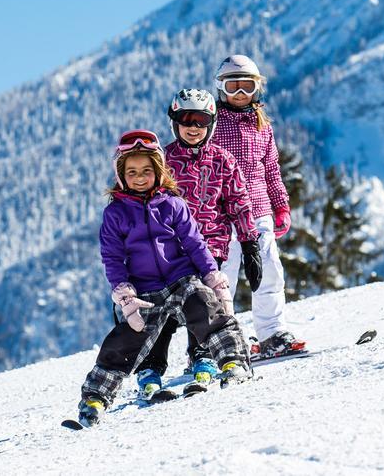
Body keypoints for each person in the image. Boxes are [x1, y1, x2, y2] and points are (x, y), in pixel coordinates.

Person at [76, 129, 252, 428]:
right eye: (132, 172)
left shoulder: (173, 204)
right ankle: (95, 397)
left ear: (158, 171)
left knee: (204, 305)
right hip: (144, 287)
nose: (140, 177)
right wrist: (126, 295)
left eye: (147, 170)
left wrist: (212, 277)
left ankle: (233, 361)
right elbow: (112, 258)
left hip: (180, 275)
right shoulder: (115, 214)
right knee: (129, 334)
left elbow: (195, 243)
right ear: (121, 175)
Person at [132, 89, 264, 396]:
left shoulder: (222, 161)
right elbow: (141, 204)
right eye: (186, 120)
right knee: (160, 309)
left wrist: (249, 244)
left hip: (210, 247)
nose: (194, 127)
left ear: (212, 123)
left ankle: (203, 357)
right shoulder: (162, 162)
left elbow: (238, 203)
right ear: (174, 121)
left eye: (202, 121)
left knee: (204, 303)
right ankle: (150, 367)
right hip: (166, 251)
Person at [212, 55, 305, 357]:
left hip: (258, 209)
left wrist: (280, 206)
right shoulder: (211, 124)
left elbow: (271, 168)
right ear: (220, 88)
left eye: (247, 86)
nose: (240, 93)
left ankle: (271, 333)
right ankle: (215, 341)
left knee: (269, 271)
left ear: (257, 88)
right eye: (233, 86)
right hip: (221, 214)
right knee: (221, 275)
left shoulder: (261, 124)